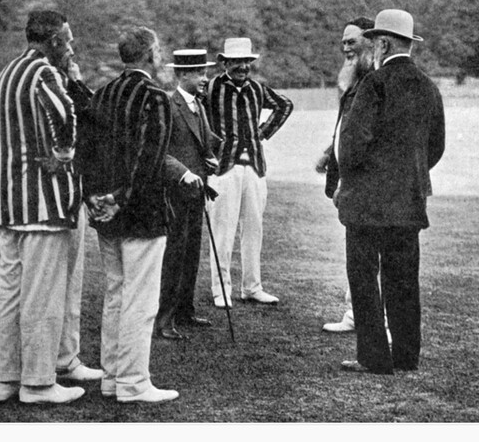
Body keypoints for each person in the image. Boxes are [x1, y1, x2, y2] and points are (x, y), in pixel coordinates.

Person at [0, 10, 103, 405]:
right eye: (66, 40)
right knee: (43, 296)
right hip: (44, 206)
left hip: (10, 205)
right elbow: (67, 115)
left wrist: (4, 184)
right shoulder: (44, 74)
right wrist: (64, 154)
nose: (70, 47)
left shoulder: (3, 76)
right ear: (53, 40)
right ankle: (37, 382)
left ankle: (6, 379)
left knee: (11, 295)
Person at [76, 26, 184, 403]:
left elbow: (83, 151)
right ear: (151, 53)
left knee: (115, 295)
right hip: (141, 212)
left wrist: (94, 197)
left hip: (105, 213)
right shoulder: (155, 96)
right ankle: (134, 383)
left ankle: (112, 378)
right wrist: (122, 197)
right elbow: (150, 158)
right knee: (140, 300)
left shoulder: (103, 93)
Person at [335, 9, 445, 375]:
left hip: (367, 204)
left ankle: (374, 358)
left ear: (382, 43)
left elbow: (352, 147)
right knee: (403, 280)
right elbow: (437, 147)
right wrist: (406, 175)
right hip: (408, 202)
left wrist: (353, 182)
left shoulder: (374, 84)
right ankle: (406, 356)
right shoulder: (428, 86)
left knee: (364, 280)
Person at [204, 37, 293, 308]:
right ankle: (221, 290)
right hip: (223, 168)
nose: (243, 66)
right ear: (225, 63)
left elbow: (285, 105)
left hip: (254, 166)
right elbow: (195, 117)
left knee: (254, 229)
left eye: (247, 62)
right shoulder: (210, 89)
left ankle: (252, 287)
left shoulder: (257, 89)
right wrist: (209, 146)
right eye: (237, 62)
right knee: (222, 231)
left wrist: (263, 133)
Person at [154, 49, 222, 341]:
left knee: (191, 253)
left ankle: (185, 310)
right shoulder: (169, 105)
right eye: (200, 74)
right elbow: (161, 151)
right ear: (182, 75)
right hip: (176, 192)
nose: (205, 79)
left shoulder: (199, 106)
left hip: (196, 193)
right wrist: (183, 172)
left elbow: (206, 143)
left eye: (204, 73)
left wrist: (212, 159)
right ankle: (164, 319)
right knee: (174, 255)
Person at [314, 17, 374, 334]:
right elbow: (347, 129)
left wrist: (349, 181)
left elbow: (370, 139)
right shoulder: (354, 80)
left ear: (371, 42)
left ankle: (373, 321)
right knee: (356, 251)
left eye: (352, 41)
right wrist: (329, 150)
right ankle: (355, 313)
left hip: (365, 185)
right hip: (349, 180)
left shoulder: (374, 81)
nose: (346, 47)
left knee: (367, 253)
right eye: (344, 41)